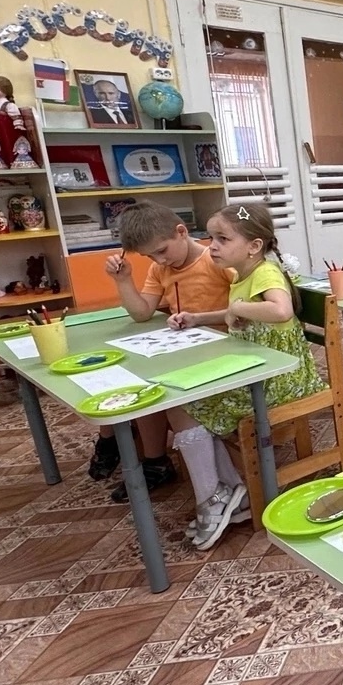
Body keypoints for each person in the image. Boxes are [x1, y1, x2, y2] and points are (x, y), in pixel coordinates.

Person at [166, 203, 327, 550]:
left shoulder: (266, 273)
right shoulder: (242, 274)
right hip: (258, 373)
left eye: (223, 239)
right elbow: (236, 314)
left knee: (184, 405)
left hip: (281, 381)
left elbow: (281, 310)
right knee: (184, 401)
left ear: (254, 246)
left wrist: (238, 308)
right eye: (211, 238)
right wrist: (197, 318)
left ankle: (216, 495)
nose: (212, 246)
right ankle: (225, 492)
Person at [98, 202, 235, 503]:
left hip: (222, 355)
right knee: (140, 383)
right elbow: (142, 313)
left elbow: (243, 312)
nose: (159, 260)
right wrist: (123, 280)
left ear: (181, 232)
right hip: (185, 351)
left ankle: (151, 458)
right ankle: (154, 461)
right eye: (149, 256)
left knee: (159, 390)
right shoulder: (159, 268)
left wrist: (199, 319)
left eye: (162, 251)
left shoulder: (216, 260)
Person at [0, 75, 24, 169]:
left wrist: (18, 124)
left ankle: (7, 159)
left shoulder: (8, 104)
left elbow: (15, 115)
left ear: (5, 89)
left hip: (4, 126)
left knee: (5, 140)